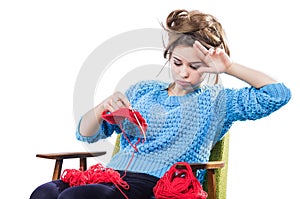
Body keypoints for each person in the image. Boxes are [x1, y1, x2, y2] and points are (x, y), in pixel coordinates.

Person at [30, 9, 291, 199]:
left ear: (210, 66)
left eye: (195, 66)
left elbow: (278, 95)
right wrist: (102, 107)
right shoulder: (143, 91)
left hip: (157, 184)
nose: (184, 72)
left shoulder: (216, 101)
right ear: (169, 56)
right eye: (178, 63)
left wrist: (230, 67)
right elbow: (84, 132)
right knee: (44, 193)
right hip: (112, 176)